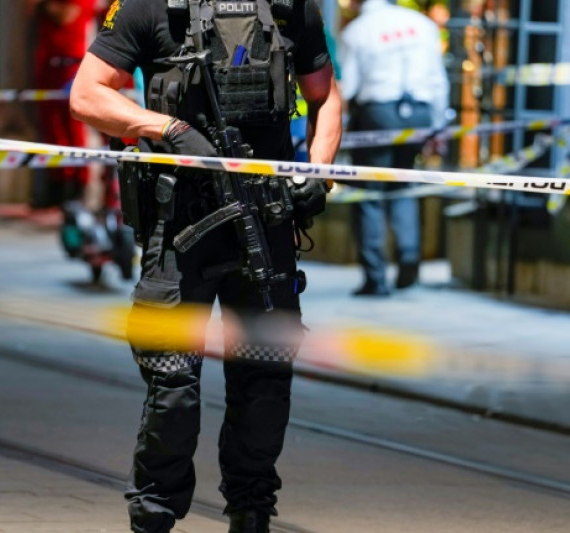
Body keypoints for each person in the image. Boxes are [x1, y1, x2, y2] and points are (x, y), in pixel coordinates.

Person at [70, 1, 341, 531]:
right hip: (180, 227)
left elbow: (324, 94)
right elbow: (87, 94)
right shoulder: (151, 6)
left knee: (264, 382)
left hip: (264, 224)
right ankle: (154, 519)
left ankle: (251, 513)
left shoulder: (291, 7)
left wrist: (320, 170)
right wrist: (165, 128)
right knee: (172, 387)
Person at [339, 0, 449, 296]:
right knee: (403, 186)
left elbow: (348, 85)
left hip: (378, 113)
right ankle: (409, 261)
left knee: (369, 194)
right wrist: (439, 125)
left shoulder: (357, 31)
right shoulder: (422, 24)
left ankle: (375, 277)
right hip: (420, 112)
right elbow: (438, 80)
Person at [28, 0, 98, 209]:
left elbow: (67, 14)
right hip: (49, 69)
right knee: (52, 132)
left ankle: (76, 188)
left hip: (74, 68)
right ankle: (57, 187)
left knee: (75, 131)